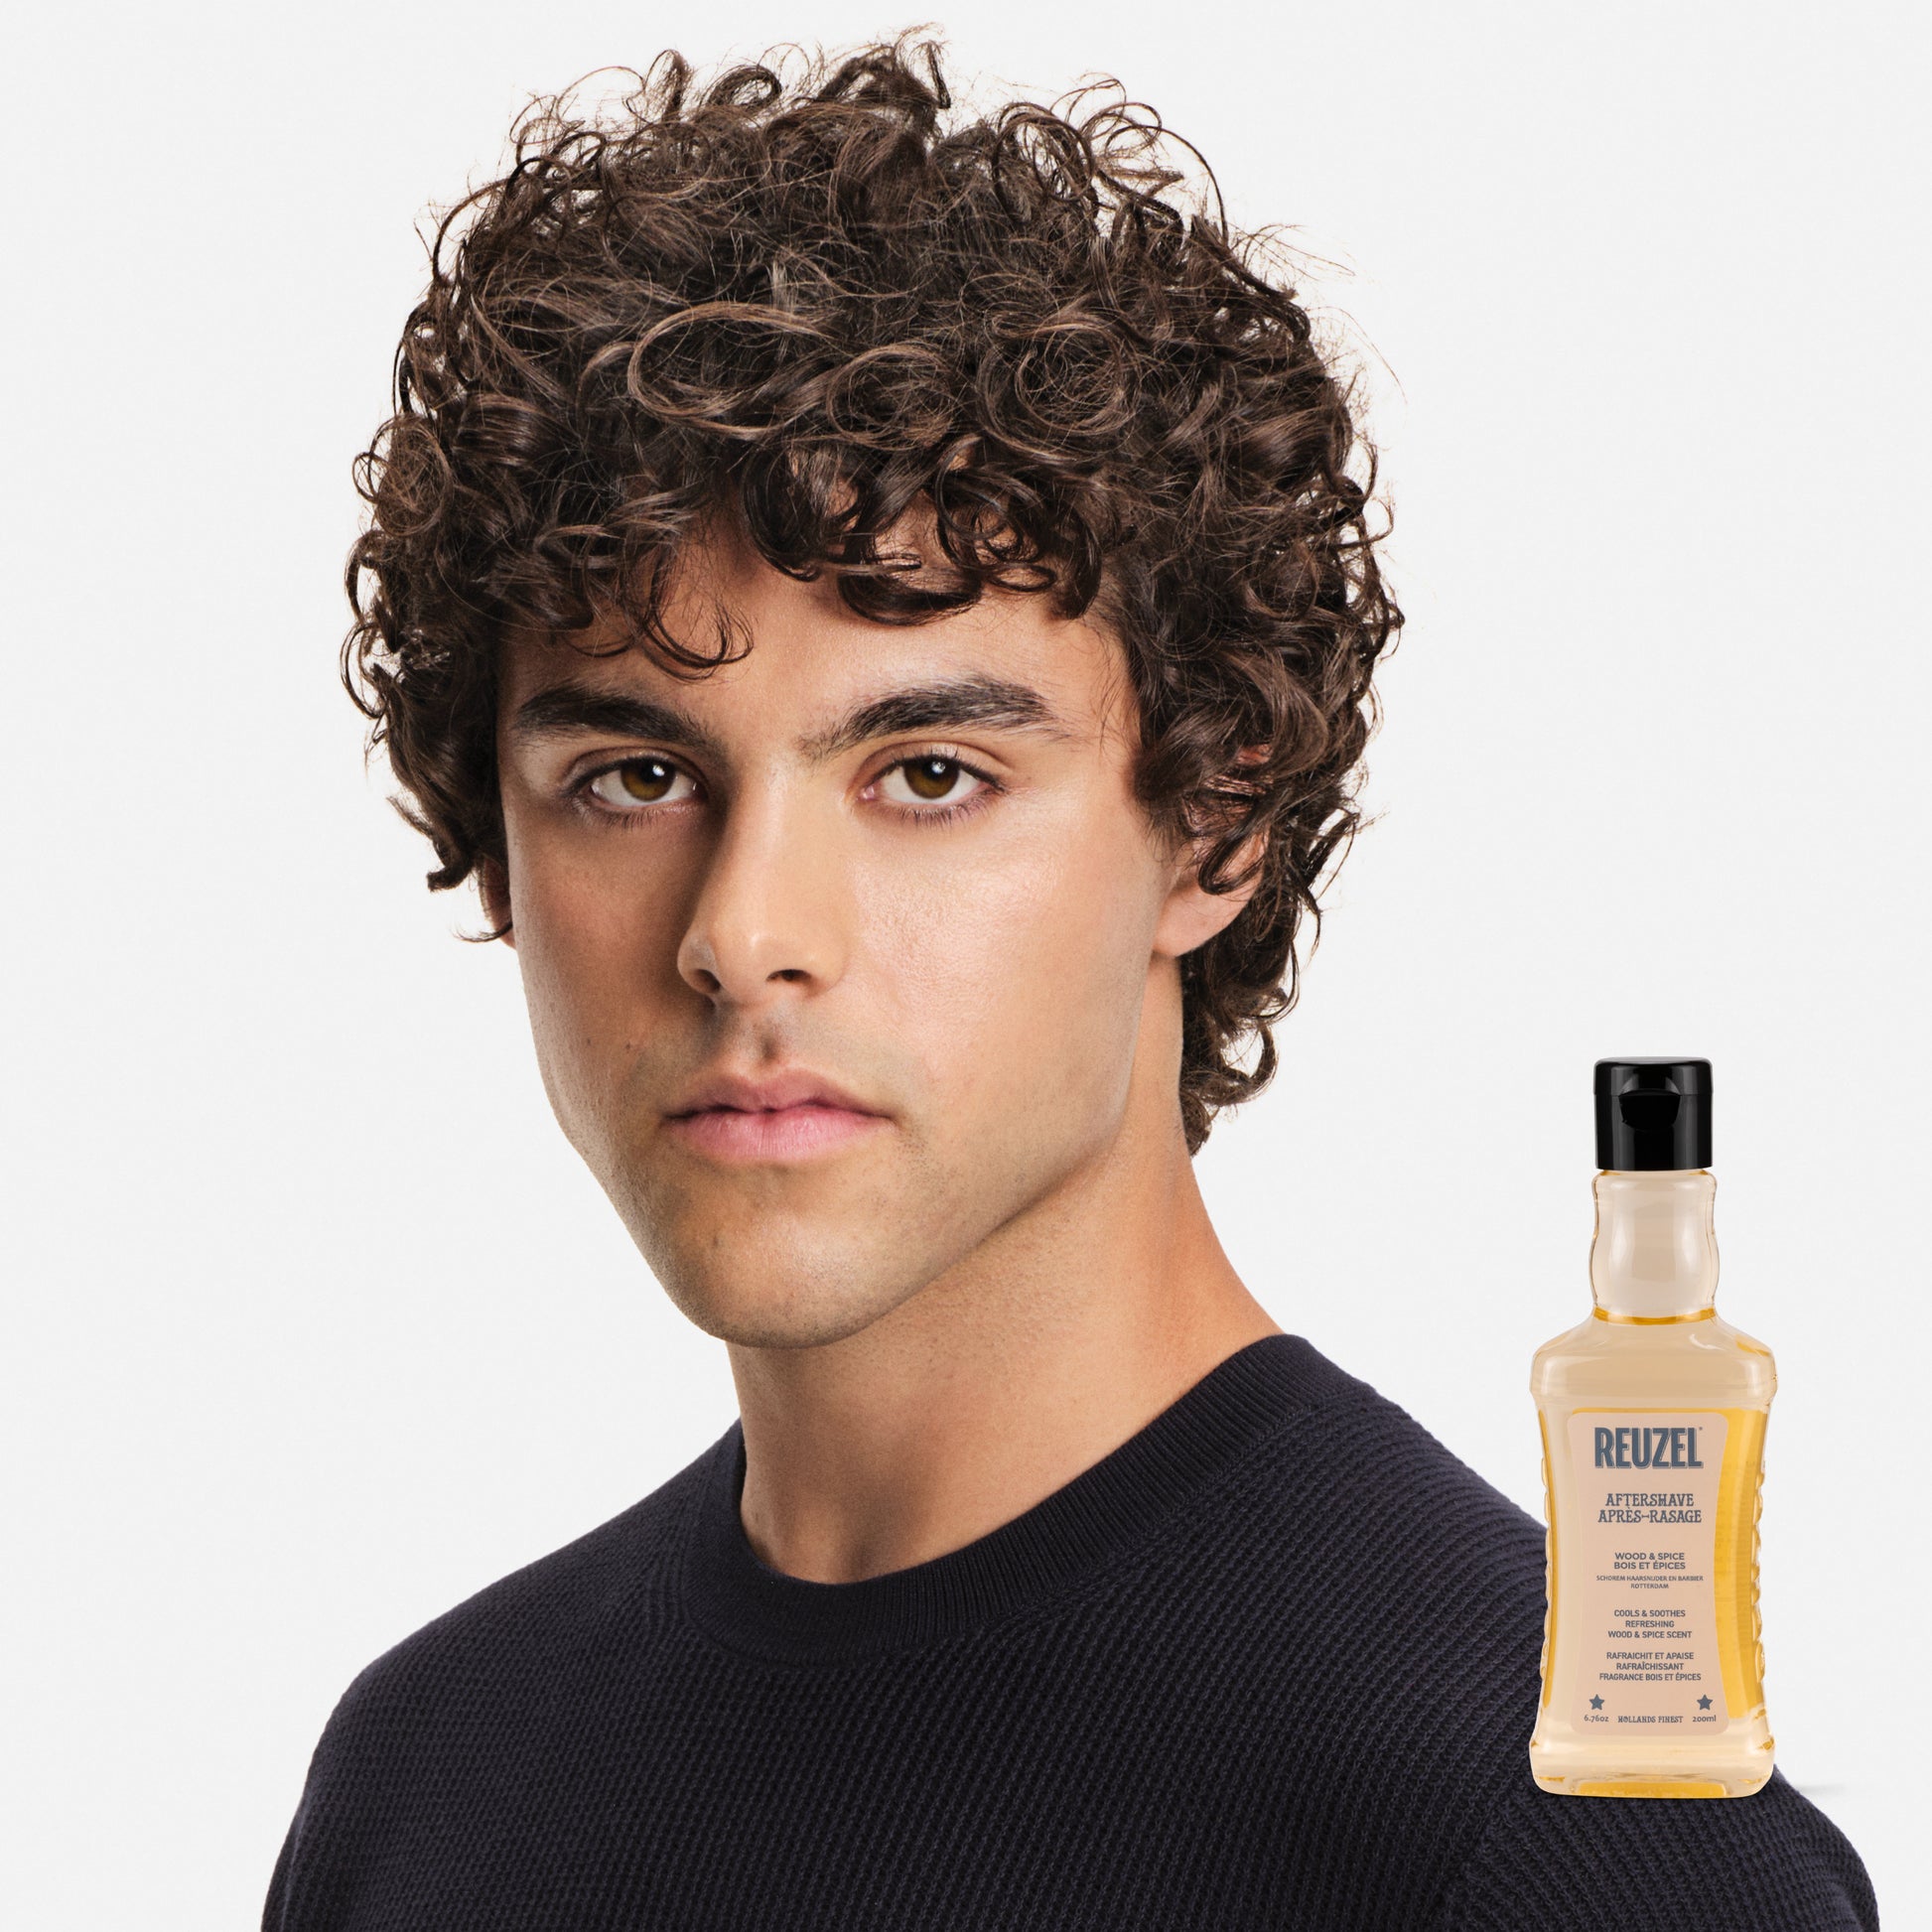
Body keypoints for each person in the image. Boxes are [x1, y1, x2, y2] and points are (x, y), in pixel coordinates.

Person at [264, 38, 1876, 1930]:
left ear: (1208, 829)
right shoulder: (434, 1777)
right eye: (635, 776)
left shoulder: (1562, 1841)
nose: (742, 929)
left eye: (927, 774)